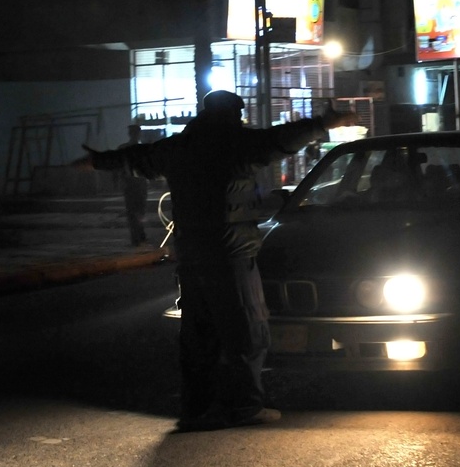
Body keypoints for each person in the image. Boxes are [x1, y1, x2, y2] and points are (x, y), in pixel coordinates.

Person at [78, 90, 358, 431]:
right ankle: (243, 406)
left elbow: (137, 158)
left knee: (199, 336)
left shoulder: (179, 147)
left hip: (192, 255)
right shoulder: (235, 145)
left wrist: (97, 160)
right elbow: (281, 140)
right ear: (231, 115)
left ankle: (196, 407)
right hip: (231, 254)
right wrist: (323, 123)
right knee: (247, 332)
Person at [118, 124, 149, 246]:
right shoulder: (143, 149)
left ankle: (137, 237)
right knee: (138, 211)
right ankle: (139, 236)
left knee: (134, 212)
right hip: (137, 184)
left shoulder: (124, 148)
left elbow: (118, 167)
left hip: (132, 184)